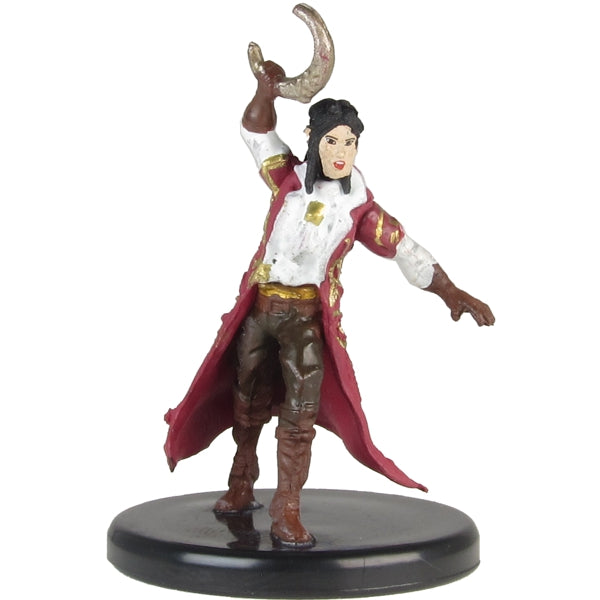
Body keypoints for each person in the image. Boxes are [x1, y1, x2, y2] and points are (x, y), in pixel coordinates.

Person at [164, 60, 494, 548]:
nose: (342, 153)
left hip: (304, 320)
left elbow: (405, 250)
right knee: (246, 401)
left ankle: (287, 508)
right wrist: (266, 91)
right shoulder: (288, 178)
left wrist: (451, 291)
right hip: (260, 311)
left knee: (300, 415)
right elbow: (256, 133)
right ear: (314, 140)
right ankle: (241, 481)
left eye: (350, 142)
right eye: (333, 141)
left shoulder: (359, 208)